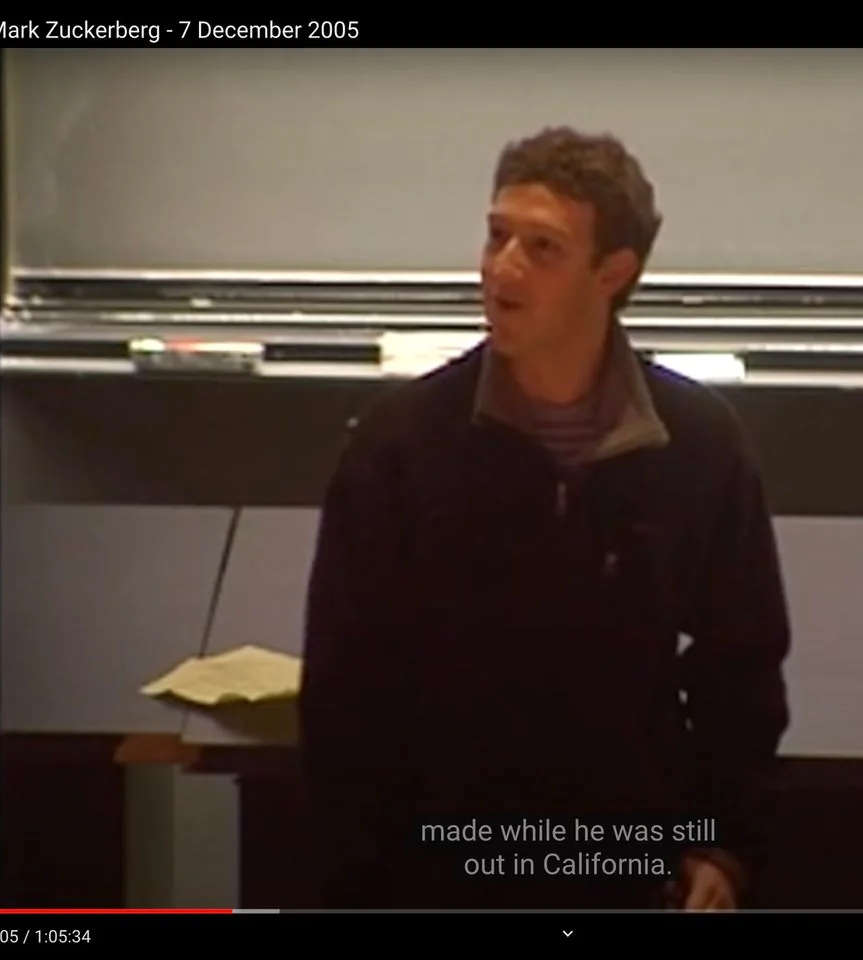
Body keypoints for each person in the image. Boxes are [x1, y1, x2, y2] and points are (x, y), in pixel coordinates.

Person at [297, 126, 791, 910]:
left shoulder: (698, 447)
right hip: (441, 870)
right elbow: (345, 702)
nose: (502, 270)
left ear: (613, 273)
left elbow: (742, 672)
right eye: (496, 237)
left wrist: (722, 846)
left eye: (542, 248)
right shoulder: (401, 444)